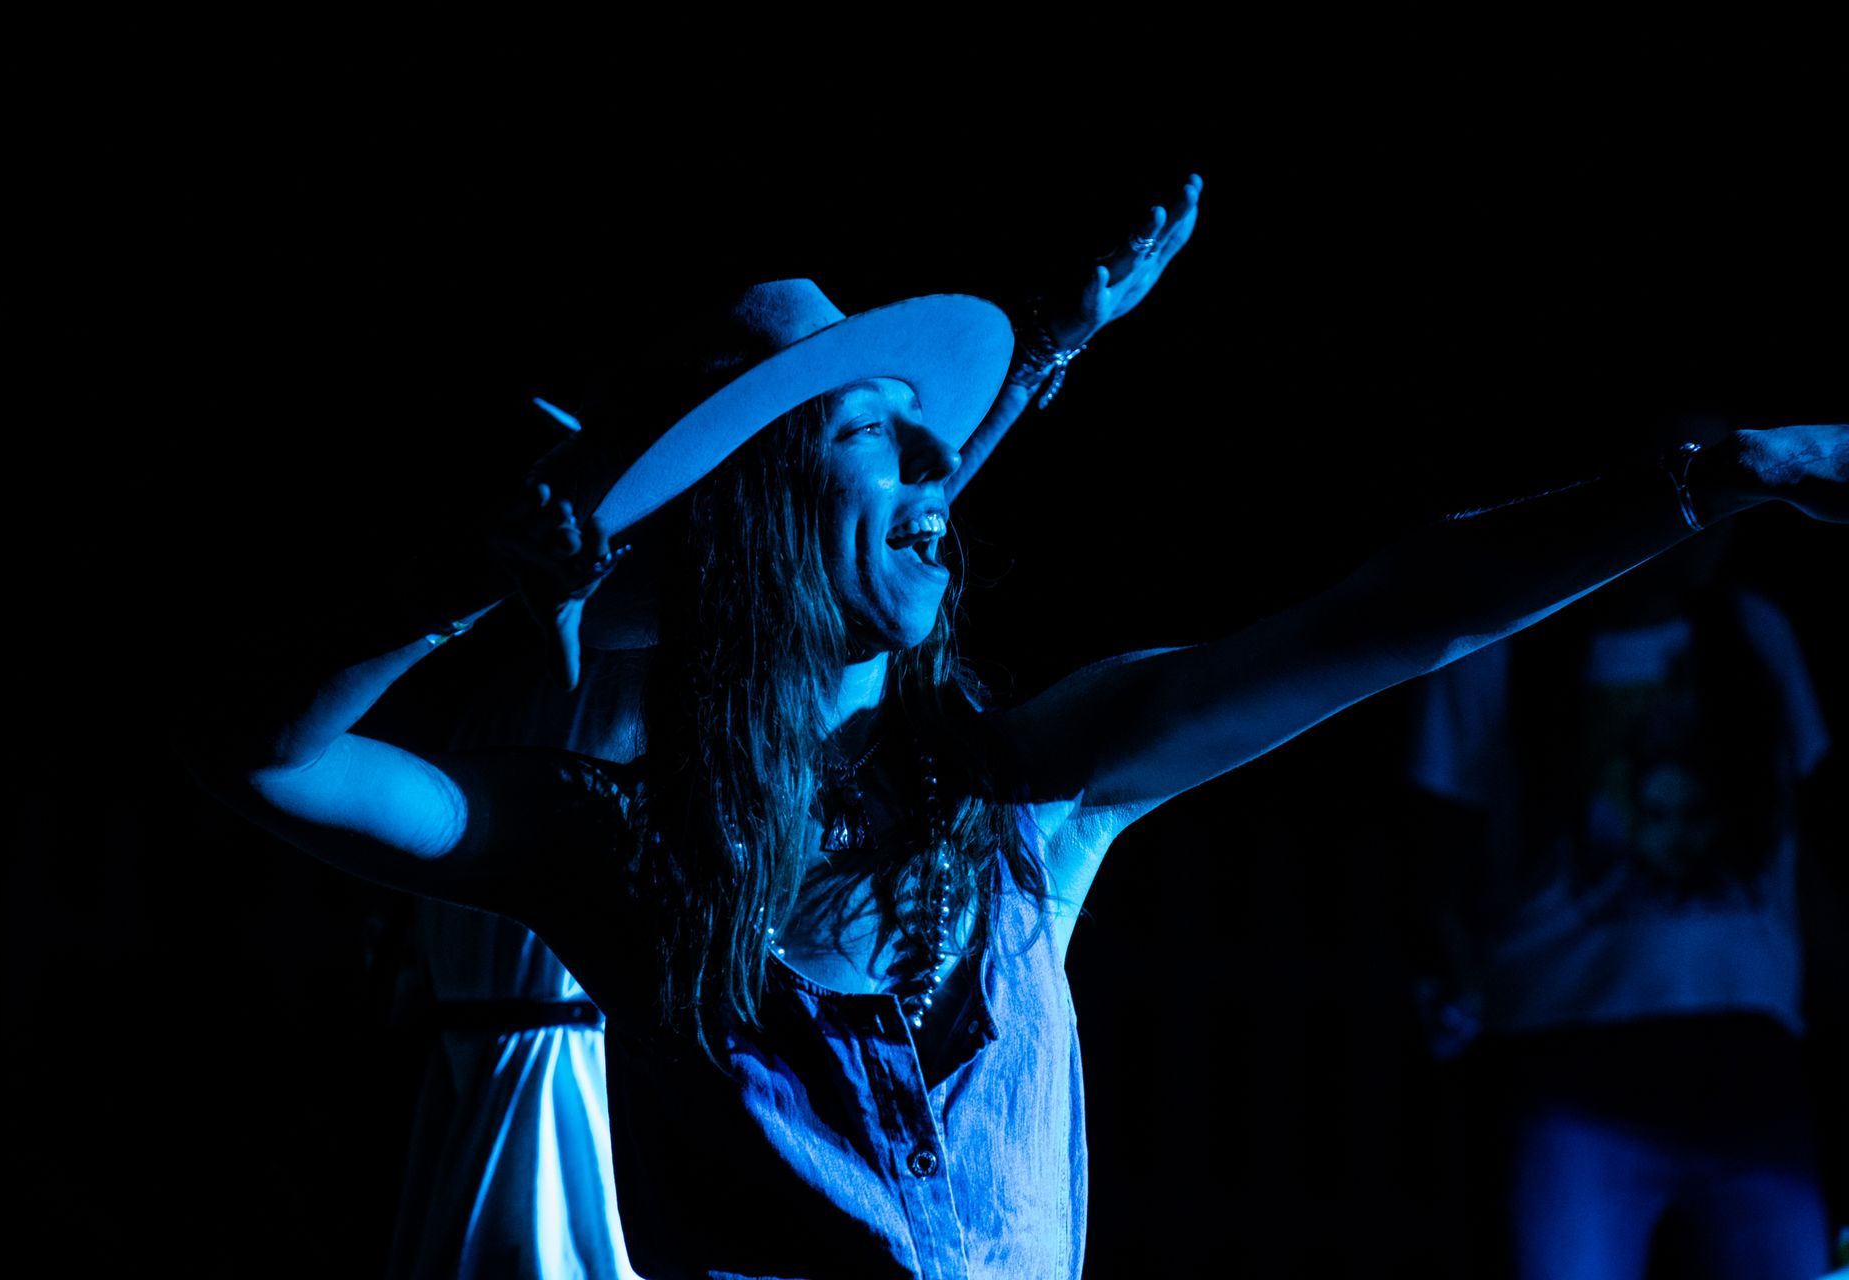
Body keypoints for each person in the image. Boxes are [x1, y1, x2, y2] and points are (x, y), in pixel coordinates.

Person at [179, 202, 1849, 1274]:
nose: (935, 486)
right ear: (760, 523)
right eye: (879, 446)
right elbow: (279, 767)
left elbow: (1396, 614)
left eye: (935, 455)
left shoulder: (1031, 787)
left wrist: (1712, 480)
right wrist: (463, 599)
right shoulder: (624, 848)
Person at [382, 186, 1203, 1280]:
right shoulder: (612, 656)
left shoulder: (683, 643)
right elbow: (833, 538)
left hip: (644, 1041)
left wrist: (1045, 355)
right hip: (577, 1044)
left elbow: (869, 525)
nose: (920, 470)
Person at [1406, 517, 1837, 1279]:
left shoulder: (1755, 633)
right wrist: (1454, 968)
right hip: (1561, 1049)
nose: (1717, 524)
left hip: (1751, 1052)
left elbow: (1814, 854)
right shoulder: (1498, 645)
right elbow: (1437, 848)